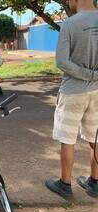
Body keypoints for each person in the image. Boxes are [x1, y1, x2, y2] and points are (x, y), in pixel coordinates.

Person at [45, 0, 98, 199]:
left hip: (73, 91)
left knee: (67, 139)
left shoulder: (70, 23)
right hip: (97, 91)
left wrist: (87, 74)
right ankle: (95, 182)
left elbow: (61, 61)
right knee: (96, 137)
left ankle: (65, 184)